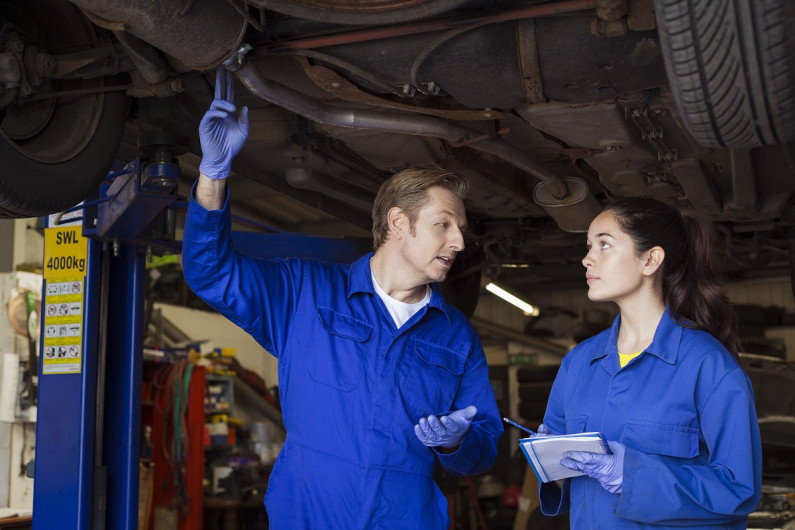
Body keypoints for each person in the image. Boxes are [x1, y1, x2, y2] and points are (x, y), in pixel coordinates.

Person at [182, 67, 503, 528]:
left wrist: (457, 444)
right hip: (309, 515)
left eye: (460, 230)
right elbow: (211, 273)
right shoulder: (305, 294)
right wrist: (213, 174)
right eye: (443, 225)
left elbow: (482, 450)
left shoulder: (457, 338)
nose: (458, 242)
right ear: (398, 223)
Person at [535, 197, 762, 528]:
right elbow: (563, 481)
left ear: (651, 260)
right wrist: (551, 465)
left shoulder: (707, 365)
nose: (587, 259)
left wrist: (635, 477)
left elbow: (739, 490)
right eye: (588, 246)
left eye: (604, 245)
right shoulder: (579, 362)